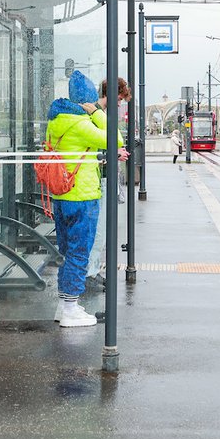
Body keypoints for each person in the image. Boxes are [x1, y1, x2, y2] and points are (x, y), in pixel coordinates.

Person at [47, 71, 124, 327]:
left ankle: (64, 304)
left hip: (61, 194)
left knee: (67, 251)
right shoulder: (81, 124)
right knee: (80, 252)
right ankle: (70, 308)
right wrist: (96, 113)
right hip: (82, 195)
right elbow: (116, 138)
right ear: (87, 100)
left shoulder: (56, 121)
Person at [84, 77, 131, 292]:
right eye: (120, 99)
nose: (120, 104)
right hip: (97, 178)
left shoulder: (97, 113)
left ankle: (91, 271)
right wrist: (114, 154)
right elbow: (96, 146)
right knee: (98, 230)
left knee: (100, 230)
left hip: (100, 177)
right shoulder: (96, 114)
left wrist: (114, 153)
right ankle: (88, 274)